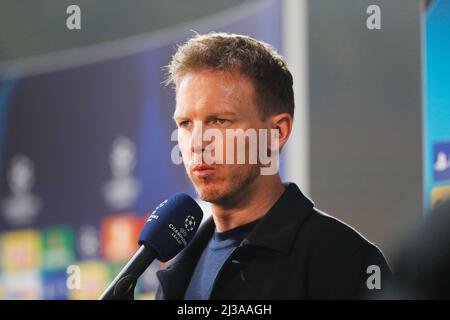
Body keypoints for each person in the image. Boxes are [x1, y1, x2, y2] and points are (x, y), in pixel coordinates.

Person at [155, 32, 391, 300]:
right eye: (186, 124)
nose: (196, 143)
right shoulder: (178, 269)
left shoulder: (345, 260)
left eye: (219, 121)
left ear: (276, 132)